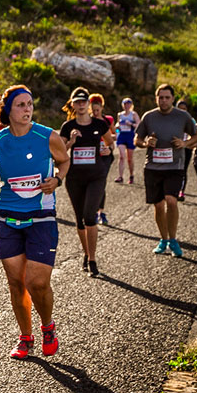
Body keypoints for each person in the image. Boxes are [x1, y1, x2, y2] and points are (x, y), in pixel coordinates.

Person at [0, 85, 69, 359]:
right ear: (7, 109)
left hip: (41, 217)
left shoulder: (48, 136)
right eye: (20, 105)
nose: (27, 109)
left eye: (29, 104)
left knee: (37, 282)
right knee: (17, 283)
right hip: (7, 217)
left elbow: (64, 161)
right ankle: (25, 338)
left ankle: (48, 327)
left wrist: (58, 179)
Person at [134, 84, 197, 257]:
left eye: (167, 97)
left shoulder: (183, 116)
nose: (163, 100)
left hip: (174, 166)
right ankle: (163, 239)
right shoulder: (149, 117)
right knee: (158, 205)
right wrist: (146, 143)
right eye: (160, 97)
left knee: (171, 200)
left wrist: (185, 144)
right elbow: (137, 140)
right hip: (152, 167)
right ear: (156, 98)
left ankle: (173, 239)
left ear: (172, 99)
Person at [57, 88, 113, 278]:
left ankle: (92, 259)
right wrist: (71, 142)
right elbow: (59, 153)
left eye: (84, 101)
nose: (81, 105)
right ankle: (86, 253)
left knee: (90, 217)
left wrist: (107, 150)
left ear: (88, 104)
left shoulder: (99, 123)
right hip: (74, 178)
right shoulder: (67, 126)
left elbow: (110, 142)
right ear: (72, 104)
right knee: (80, 220)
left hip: (96, 176)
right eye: (77, 102)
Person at [89, 93, 115, 225]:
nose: (95, 112)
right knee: (92, 182)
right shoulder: (87, 121)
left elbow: (113, 136)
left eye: (97, 109)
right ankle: (92, 211)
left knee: (101, 181)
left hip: (105, 156)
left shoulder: (108, 120)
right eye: (93, 109)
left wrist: (109, 146)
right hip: (92, 155)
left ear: (101, 107)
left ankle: (101, 212)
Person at [115, 97, 140, 184]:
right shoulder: (120, 115)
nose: (127, 106)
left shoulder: (133, 114)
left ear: (131, 105)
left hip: (130, 136)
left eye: (128, 104)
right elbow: (117, 126)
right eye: (125, 104)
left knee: (129, 158)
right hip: (122, 135)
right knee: (121, 156)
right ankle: (120, 176)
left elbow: (139, 125)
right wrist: (117, 128)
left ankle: (131, 175)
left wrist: (131, 124)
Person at [177, 98, 193, 200]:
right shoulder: (172, 119)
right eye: (180, 108)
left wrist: (186, 143)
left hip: (186, 147)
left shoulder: (190, 120)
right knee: (175, 169)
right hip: (175, 147)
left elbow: (195, 135)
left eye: (184, 109)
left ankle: (181, 191)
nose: (182, 110)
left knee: (183, 169)